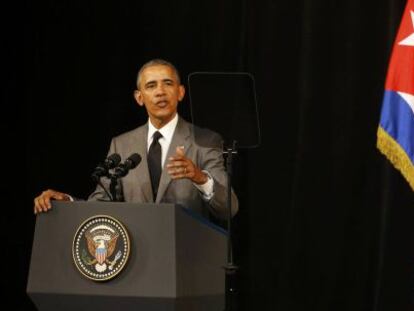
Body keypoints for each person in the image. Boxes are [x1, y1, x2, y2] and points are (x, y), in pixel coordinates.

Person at [33, 59, 238, 220]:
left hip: (187, 258)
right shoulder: (122, 144)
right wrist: (66, 202)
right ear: (139, 97)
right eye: (151, 86)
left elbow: (230, 207)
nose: (160, 92)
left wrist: (200, 177)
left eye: (168, 83)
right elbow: (101, 203)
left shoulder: (205, 140)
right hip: (137, 260)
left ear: (180, 92)